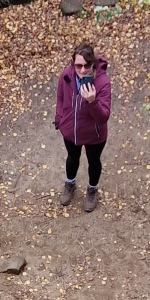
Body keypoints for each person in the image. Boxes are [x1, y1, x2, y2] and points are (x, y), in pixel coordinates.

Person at [53, 42, 111, 212]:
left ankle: (92, 189)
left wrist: (92, 102)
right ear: (73, 64)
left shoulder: (102, 83)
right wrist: (60, 119)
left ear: (93, 64)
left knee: (94, 161)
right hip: (71, 131)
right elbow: (60, 97)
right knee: (72, 158)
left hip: (95, 134)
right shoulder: (67, 75)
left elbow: (103, 117)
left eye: (87, 65)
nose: (83, 70)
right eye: (78, 65)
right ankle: (70, 183)